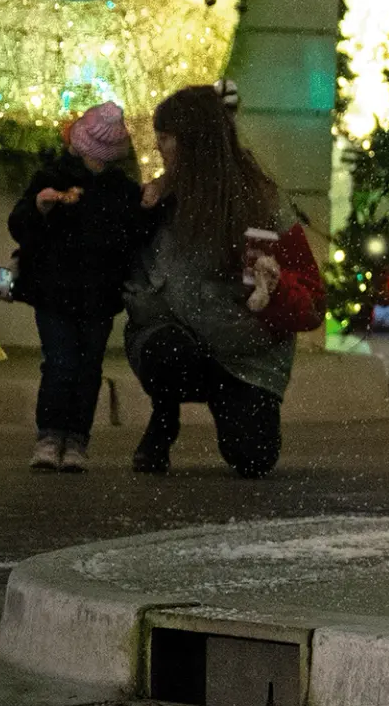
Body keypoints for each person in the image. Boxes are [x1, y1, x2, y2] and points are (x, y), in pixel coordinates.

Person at [124, 83, 322, 477]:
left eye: (166, 137)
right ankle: (164, 418)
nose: (158, 146)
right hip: (178, 337)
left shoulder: (261, 203)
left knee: (253, 458)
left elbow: (313, 302)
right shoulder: (157, 200)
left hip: (246, 352)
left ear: (193, 142)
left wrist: (274, 286)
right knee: (166, 352)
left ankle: (232, 398)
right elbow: (126, 269)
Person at [7, 102, 142, 471]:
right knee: (62, 363)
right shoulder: (52, 179)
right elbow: (19, 224)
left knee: (85, 368)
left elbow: (134, 235)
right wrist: (39, 207)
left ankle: (74, 440)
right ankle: (52, 436)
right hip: (56, 293)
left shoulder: (121, 192)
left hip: (96, 296)